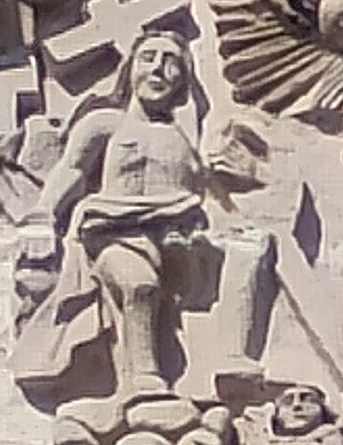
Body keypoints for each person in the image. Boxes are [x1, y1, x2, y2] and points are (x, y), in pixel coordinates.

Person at [16, 29, 208, 409]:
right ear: (129, 70)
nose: (159, 69)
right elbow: (71, 171)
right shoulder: (107, 124)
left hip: (172, 236)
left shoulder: (184, 141)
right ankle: (143, 380)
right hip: (111, 230)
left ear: (183, 81)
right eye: (148, 58)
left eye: (171, 63)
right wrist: (42, 217)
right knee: (140, 285)